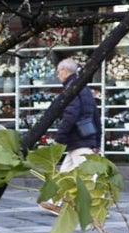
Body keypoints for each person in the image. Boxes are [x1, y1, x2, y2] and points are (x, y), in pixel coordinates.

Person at [40, 58, 99, 213]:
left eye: (59, 71)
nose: (58, 75)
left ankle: (95, 205)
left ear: (66, 71)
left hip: (79, 139)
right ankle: (57, 203)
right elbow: (95, 115)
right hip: (84, 137)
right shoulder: (84, 88)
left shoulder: (72, 88)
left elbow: (71, 115)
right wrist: (97, 140)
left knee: (87, 174)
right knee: (66, 173)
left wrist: (59, 138)